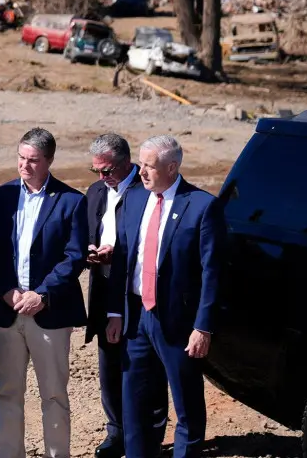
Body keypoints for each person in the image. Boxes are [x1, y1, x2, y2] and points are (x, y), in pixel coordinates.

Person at [106, 136, 225, 458]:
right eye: (140, 164)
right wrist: (114, 312)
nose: (141, 172)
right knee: (134, 401)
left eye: (149, 166)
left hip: (178, 322)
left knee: (186, 402)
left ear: (172, 167)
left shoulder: (201, 206)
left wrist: (203, 327)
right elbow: (123, 259)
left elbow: (212, 273)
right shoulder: (133, 199)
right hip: (135, 317)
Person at [0, 128, 88, 458]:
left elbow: (74, 255)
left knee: (53, 394)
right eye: (21, 158)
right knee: (7, 392)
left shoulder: (71, 201)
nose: (24, 166)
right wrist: (6, 291)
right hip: (7, 309)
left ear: (49, 161)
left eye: (33, 160)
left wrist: (42, 294)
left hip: (49, 313)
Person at [85, 135, 166, 458]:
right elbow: (84, 233)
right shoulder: (95, 192)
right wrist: (89, 252)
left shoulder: (146, 193)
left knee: (148, 368)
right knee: (110, 366)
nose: (103, 178)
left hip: (138, 293)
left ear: (125, 163)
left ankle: (152, 438)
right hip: (105, 289)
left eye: (107, 171)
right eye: (97, 172)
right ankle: (116, 432)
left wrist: (116, 254)